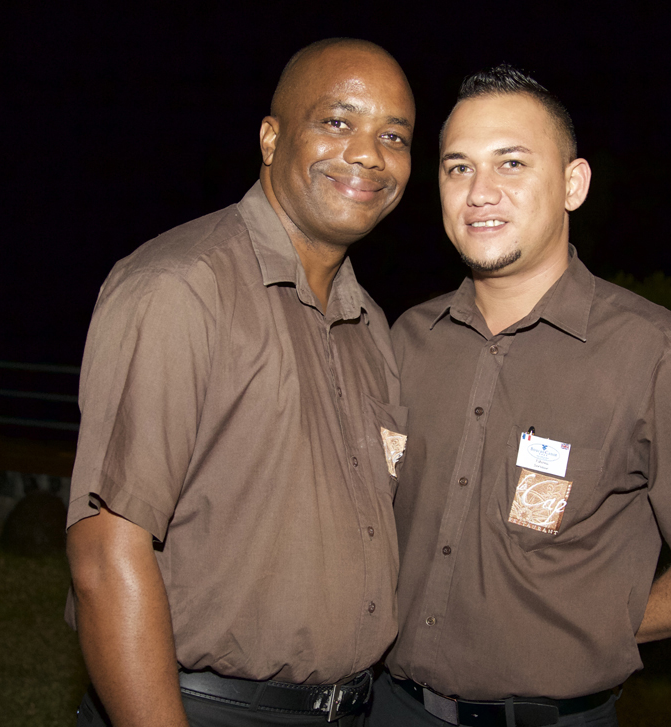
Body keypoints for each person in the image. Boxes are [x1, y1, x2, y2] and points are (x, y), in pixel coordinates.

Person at [368, 65, 671, 727]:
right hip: (392, 707)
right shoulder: (409, 337)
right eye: (458, 168)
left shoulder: (655, 354)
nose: (480, 192)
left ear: (573, 184)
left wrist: (600, 629)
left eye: (511, 163)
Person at [65, 38, 415, 727]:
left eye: (394, 136)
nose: (369, 154)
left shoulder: (371, 325)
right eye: (337, 122)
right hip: (200, 707)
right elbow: (106, 554)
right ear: (271, 138)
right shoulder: (182, 287)